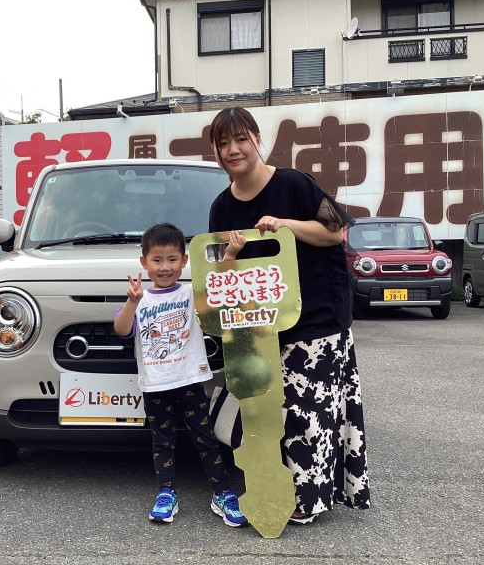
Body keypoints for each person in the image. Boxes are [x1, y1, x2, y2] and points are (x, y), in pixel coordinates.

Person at [207, 106, 371, 525]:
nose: (233, 150)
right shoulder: (222, 207)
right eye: (223, 143)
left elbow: (335, 231)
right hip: (260, 324)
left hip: (317, 316)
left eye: (241, 139)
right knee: (268, 413)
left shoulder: (293, 183)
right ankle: (278, 490)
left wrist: (286, 225)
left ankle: (307, 500)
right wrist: (230, 254)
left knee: (307, 411)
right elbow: (219, 271)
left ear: (256, 139)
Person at [113, 222, 248, 527]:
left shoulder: (191, 293)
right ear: (144, 262)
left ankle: (222, 493)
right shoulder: (141, 300)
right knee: (162, 442)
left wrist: (230, 255)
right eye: (157, 260)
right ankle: (166, 493)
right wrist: (132, 302)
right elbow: (121, 330)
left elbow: (220, 289)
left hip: (189, 380)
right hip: (154, 385)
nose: (165, 267)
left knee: (205, 439)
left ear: (184, 261)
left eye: (172, 259)